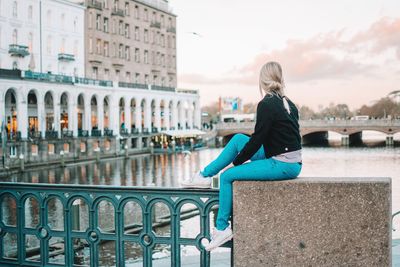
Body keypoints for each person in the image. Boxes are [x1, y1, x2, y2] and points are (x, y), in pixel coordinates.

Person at [181, 61, 302, 251]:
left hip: (282, 163)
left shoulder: (267, 104)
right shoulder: (289, 104)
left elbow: (257, 139)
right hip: (291, 161)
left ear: (263, 80)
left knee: (227, 176)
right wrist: (241, 158)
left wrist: (236, 163)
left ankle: (222, 228)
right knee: (238, 139)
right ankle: (204, 175)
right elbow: (270, 139)